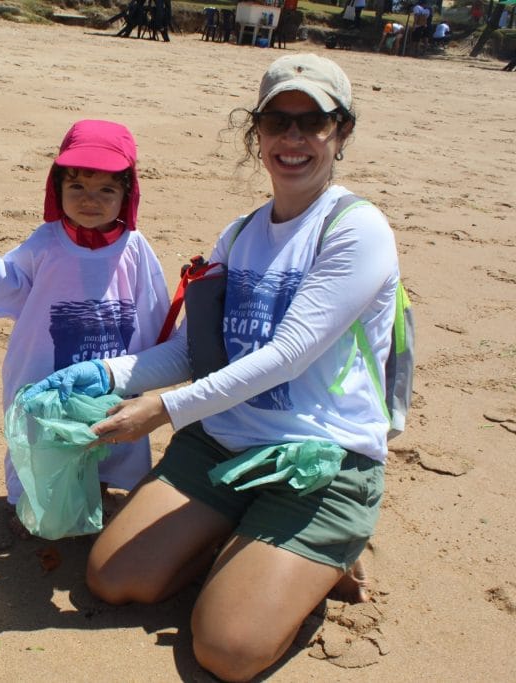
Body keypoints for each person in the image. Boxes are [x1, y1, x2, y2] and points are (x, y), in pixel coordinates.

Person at [25, 54, 398, 681]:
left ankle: (318, 555)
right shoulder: (241, 233)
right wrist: (107, 375)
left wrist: (163, 409)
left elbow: (287, 357)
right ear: (257, 132)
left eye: (313, 121)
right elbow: (193, 351)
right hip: (222, 442)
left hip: (318, 461)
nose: (293, 137)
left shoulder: (356, 230)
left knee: (228, 650)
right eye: (277, 121)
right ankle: (249, 545)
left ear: (342, 132)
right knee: (115, 579)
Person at [0, 119, 170, 518]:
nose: (90, 200)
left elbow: (153, 308)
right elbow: (16, 285)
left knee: (106, 434)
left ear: (128, 193)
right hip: (44, 370)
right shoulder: (46, 241)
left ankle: (98, 488)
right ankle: (33, 505)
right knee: (42, 438)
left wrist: (148, 366)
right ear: (57, 188)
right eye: (77, 187)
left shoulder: (134, 248)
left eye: (106, 190)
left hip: (109, 371)